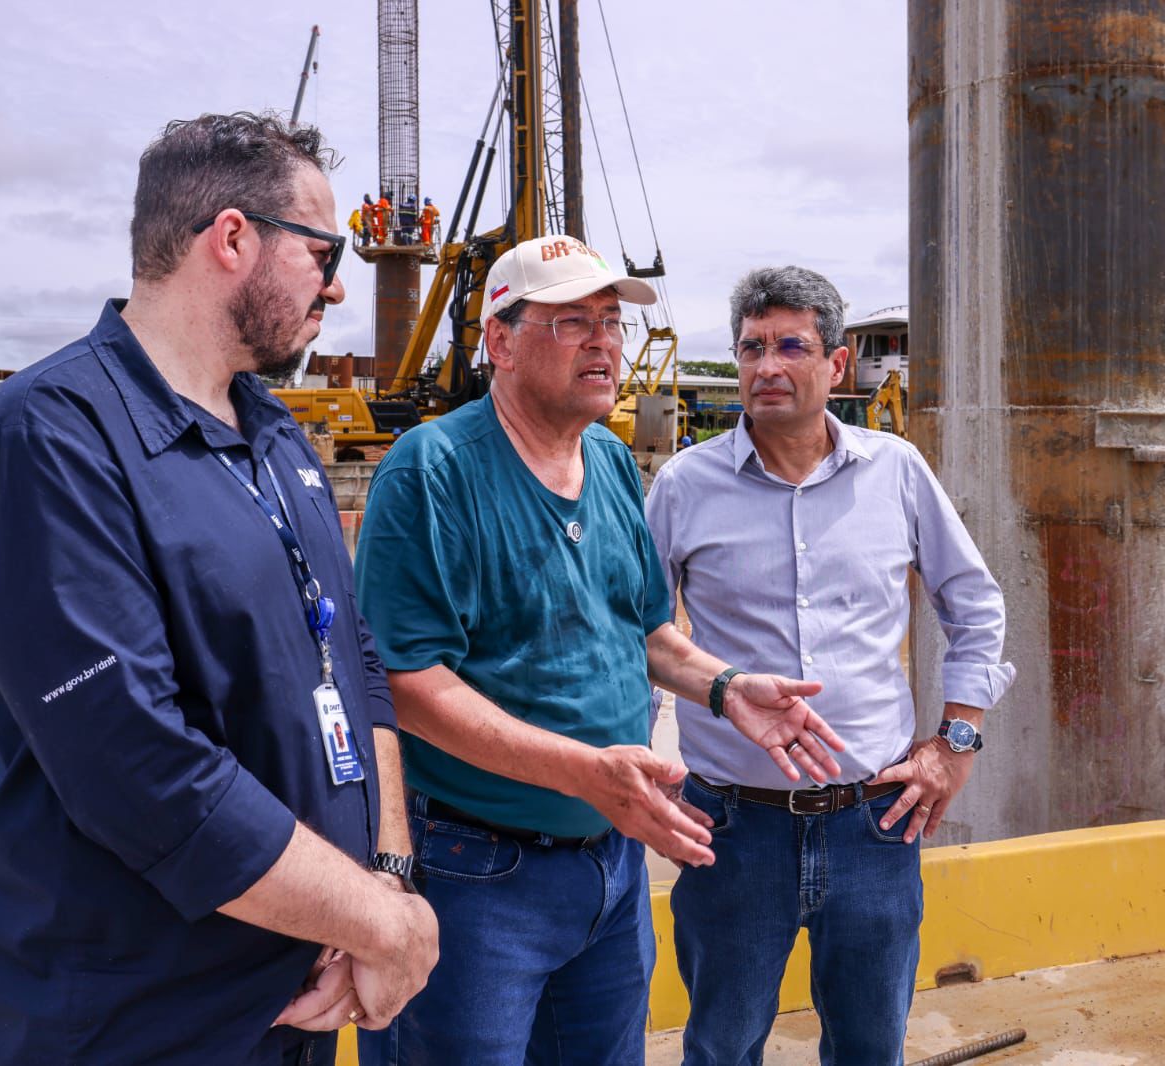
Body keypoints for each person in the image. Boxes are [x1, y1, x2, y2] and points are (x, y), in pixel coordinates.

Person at [0, 112, 438, 1066]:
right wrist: (383, 923)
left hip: (298, 1003)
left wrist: (386, 874)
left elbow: (355, 664)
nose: (337, 285)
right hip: (139, 1028)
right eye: (323, 252)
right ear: (234, 238)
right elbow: (138, 766)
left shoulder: (279, 437)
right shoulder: (50, 437)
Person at [352, 235, 847, 1066]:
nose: (604, 343)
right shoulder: (433, 471)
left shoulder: (613, 461)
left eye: (612, 322)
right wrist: (586, 773)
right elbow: (403, 683)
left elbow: (646, 630)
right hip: (475, 876)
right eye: (571, 322)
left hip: (611, 870)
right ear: (500, 341)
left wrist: (726, 687)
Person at [645, 265, 1015, 1065]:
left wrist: (955, 743)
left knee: (870, 1046)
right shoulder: (683, 486)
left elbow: (975, 605)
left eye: (791, 347)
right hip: (729, 829)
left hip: (875, 823)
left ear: (837, 365)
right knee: (720, 1046)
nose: (767, 366)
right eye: (752, 348)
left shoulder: (897, 471)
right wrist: (641, 775)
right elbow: (637, 636)